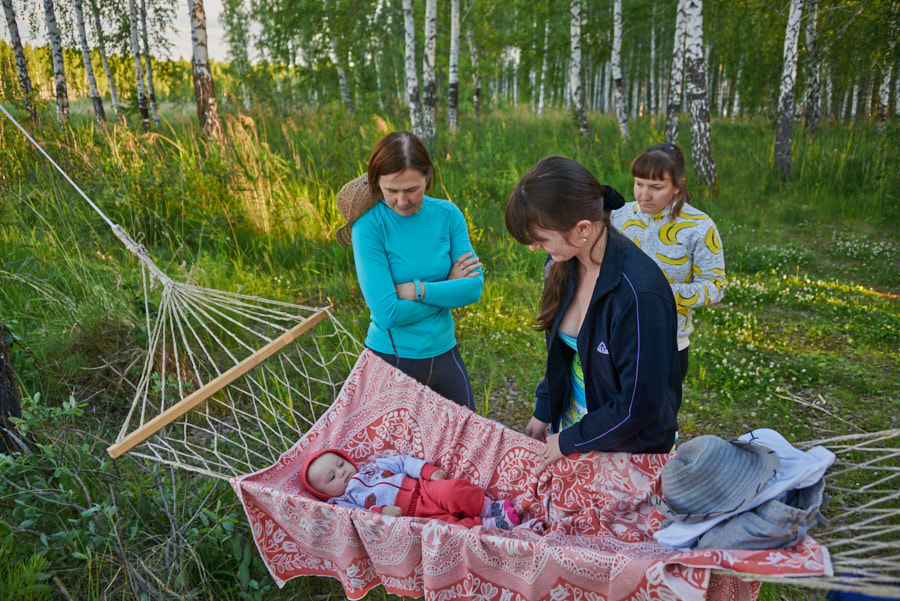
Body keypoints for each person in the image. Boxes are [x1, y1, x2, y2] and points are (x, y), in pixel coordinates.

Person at [505, 156, 682, 471]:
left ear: (583, 228)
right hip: (576, 432)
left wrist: (569, 441)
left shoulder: (639, 295)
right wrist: (544, 410)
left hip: (627, 452)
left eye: (541, 238)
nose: (533, 247)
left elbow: (638, 406)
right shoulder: (560, 265)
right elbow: (564, 355)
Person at [335, 131, 483, 410]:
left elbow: (473, 288)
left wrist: (418, 290)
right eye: (392, 191)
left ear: (428, 178)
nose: (402, 201)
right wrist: (447, 288)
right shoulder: (368, 227)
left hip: (445, 354)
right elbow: (387, 313)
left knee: (467, 444)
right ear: (376, 185)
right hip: (391, 360)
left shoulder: (448, 214)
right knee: (393, 454)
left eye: (412, 189)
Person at [611, 143, 726, 381]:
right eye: (638, 184)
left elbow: (715, 287)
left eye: (656, 187)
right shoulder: (617, 216)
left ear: (677, 186)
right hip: (613, 336)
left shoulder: (700, 226)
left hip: (667, 342)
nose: (644, 195)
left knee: (658, 417)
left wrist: (659, 294)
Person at [300, 449, 520, 529]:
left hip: (422, 488)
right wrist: (380, 512)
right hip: (411, 516)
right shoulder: (343, 502)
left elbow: (402, 462)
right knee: (446, 528)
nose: (341, 472)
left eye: (340, 464)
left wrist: (427, 470)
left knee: (452, 490)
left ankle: (488, 507)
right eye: (331, 477)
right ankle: (490, 526)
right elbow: (355, 517)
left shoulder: (372, 466)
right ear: (325, 494)